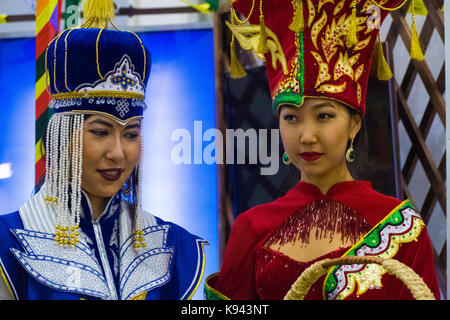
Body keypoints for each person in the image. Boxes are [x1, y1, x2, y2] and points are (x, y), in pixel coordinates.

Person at [204, 0, 440, 300]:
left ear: (354, 124)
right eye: (291, 117)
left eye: (324, 116)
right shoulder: (251, 229)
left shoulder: (402, 230)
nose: (307, 135)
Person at [0, 0, 207, 300]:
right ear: (61, 134)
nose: (118, 153)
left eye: (131, 134)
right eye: (100, 132)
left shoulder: (174, 246)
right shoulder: (9, 243)